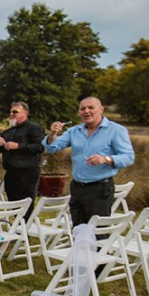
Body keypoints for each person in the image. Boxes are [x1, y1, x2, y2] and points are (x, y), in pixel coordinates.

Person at [44, 97, 135, 226]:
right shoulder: (74, 131)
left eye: (91, 107)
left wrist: (105, 159)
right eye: (82, 109)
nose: (86, 111)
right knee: (79, 231)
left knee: (98, 234)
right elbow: (52, 148)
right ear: (79, 113)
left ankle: (99, 247)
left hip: (100, 189)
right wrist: (52, 134)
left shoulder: (116, 130)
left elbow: (128, 157)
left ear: (101, 109)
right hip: (77, 188)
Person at [0, 102, 45, 215]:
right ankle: (18, 228)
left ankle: (24, 229)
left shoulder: (34, 129)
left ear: (25, 113)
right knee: (13, 204)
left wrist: (18, 146)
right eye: (10, 112)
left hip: (28, 173)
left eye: (15, 112)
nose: (11, 114)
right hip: (11, 173)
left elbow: (40, 147)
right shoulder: (7, 132)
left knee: (26, 205)